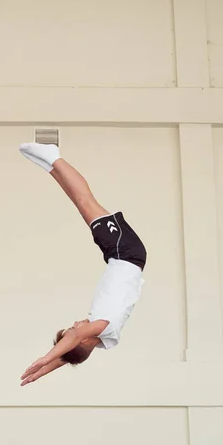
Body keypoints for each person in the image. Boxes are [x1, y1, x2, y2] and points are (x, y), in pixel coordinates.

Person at [18, 142, 147, 386]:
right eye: (72, 330)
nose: (76, 324)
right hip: (125, 252)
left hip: (120, 255)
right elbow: (75, 339)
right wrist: (45, 358)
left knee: (81, 204)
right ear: (82, 340)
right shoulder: (102, 323)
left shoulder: (107, 338)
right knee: (86, 201)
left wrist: (41, 371)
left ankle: (52, 166)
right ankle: (54, 158)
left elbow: (70, 356)